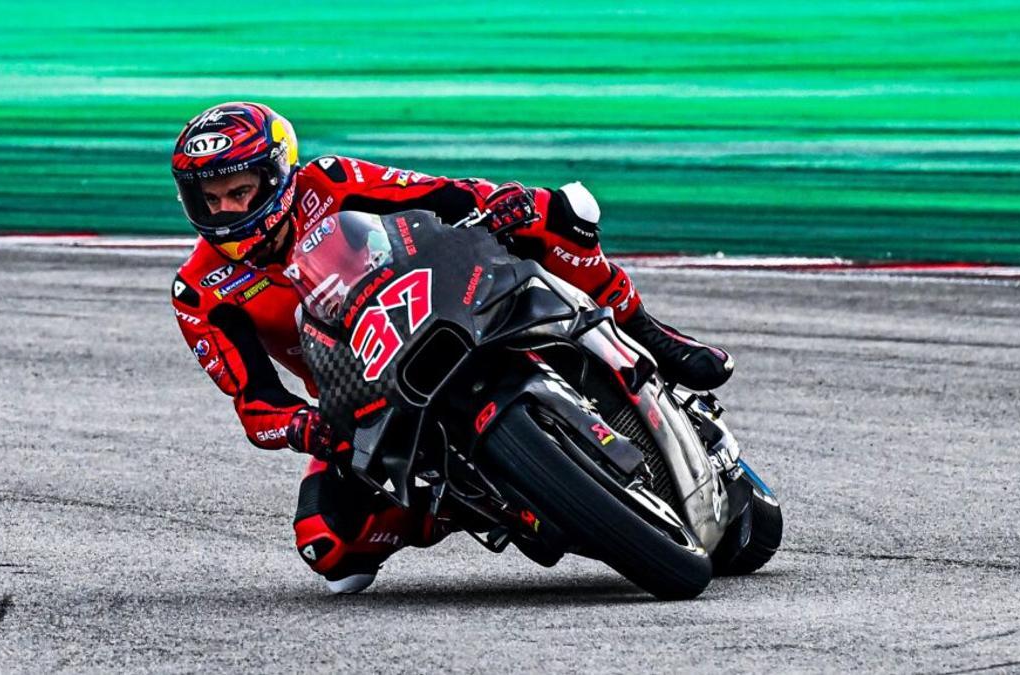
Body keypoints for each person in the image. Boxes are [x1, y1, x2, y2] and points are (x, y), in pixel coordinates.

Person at [170, 101, 733, 593]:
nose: (226, 212)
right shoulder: (199, 291)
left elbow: (443, 194)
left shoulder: (331, 180)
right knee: (330, 551)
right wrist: (302, 427)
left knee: (553, 215)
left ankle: (646, 330)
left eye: (239, 192)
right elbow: (256, 403)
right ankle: (463, 506)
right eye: (210, 199)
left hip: (443, 306)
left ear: (277, 176)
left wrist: (502, 203)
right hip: (363, 396)